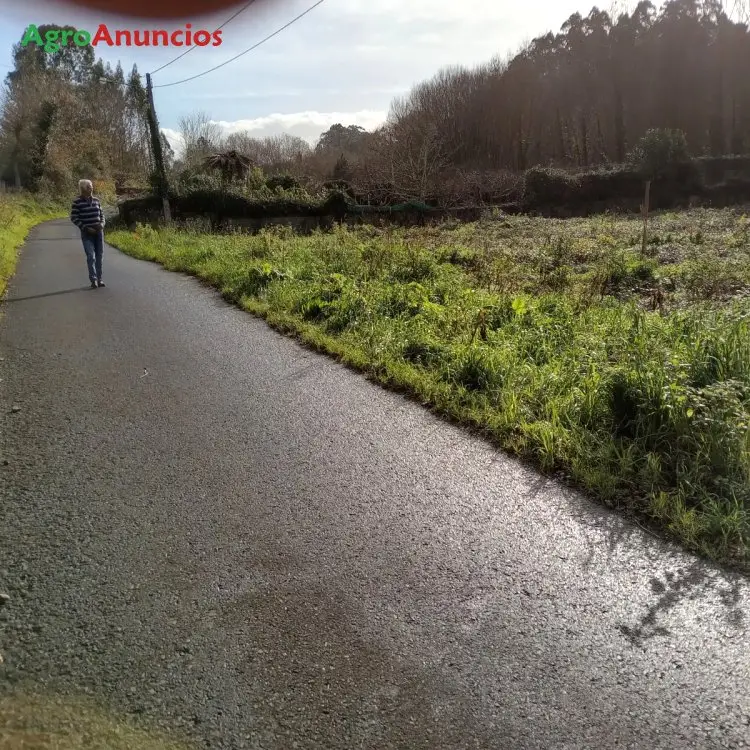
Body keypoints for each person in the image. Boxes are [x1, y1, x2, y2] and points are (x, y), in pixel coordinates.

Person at [70, 179, 106, 288]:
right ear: (83, 189)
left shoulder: (96, 200)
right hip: (87, 233)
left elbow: (102, 215)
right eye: (89, 186)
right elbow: (74, 218)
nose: (92, 188)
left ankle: (100, 279)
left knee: (99, 256)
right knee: (91, 256)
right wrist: (85, 228)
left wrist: (102, 224)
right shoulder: (77, 202)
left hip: (99, 232)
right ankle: (93, 279)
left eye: (91, 186)